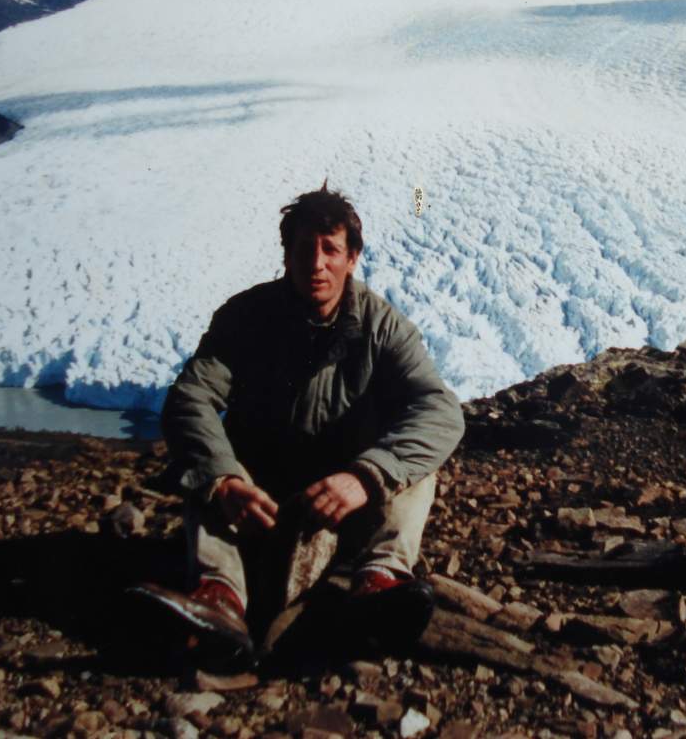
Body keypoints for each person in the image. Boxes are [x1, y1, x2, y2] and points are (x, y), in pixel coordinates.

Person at [135, 185, 464, 664]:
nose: (316, 263)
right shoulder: (244, 318)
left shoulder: (383, 327)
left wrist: (366, 476)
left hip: (348, 503)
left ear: (352, 258)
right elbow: (191, 398)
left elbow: (439, 409)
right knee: (208, 463)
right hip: (259, 503)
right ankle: (219, 597)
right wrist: (225, 481)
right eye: (304, 248)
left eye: (330, 249)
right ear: (286, 254)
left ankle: (380, 578)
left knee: (413, 466)